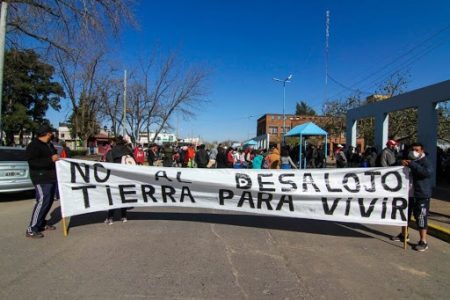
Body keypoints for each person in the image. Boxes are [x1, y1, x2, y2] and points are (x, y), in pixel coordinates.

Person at [392, 143, 433, 252]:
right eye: (412, 150)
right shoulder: (407, 160)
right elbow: (392, 167)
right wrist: (399, 163)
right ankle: (404, 235)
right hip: (407, 194)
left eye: (417, 150)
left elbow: (426, 173)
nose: (414, 152)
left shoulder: (426, 162)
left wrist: (412, 165)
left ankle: (423, 241)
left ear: (422, 151)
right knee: (404, 215)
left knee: (421, 217)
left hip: (421, 195)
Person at [25, 125, 59, 238]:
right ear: (47, 133)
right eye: (51, 132)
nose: (53, 134)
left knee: (48, 201)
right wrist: (50, 160)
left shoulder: (49, 145)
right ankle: (32, 228)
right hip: (41, 178)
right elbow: (33, 162)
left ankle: (41, 224)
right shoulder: (34, 145)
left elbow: (54, 157)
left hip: (51, 177)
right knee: (42, 201)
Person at [105, 136, 133, 225]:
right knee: (123, 195)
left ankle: (110, 217)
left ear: (115, 143)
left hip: (115, 176)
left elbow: (109, 163)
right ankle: (124, 216)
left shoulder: (112, 151)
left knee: (113, 196)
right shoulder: (128, 150)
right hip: (126, 176)